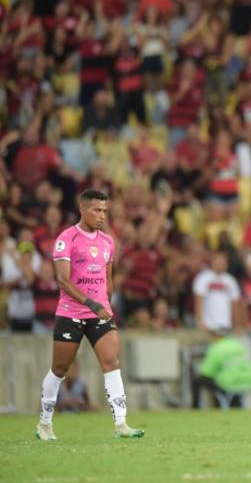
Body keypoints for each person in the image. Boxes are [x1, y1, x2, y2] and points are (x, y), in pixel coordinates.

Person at [36, 189, 144, 441]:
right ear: (82, 209)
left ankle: (121, 424)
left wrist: (106, 302)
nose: (102, 215)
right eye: (97, 210)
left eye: (105, 210)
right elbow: (62, 280)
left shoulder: (107, 241)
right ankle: (44, 424)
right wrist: (89, 303)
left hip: (100, 314)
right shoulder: (67, 239)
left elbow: (108, 279)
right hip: (71, 313)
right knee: (59, 369)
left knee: (112, 363)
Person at [193, 331, 251, 409]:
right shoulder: (237, 345)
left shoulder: (217, 347)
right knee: (232, 394)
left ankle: (195, 407)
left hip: (228, 382)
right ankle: (234, 406)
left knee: (198, 380)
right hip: (246, 380)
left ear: (217, 336)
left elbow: (206, 371)